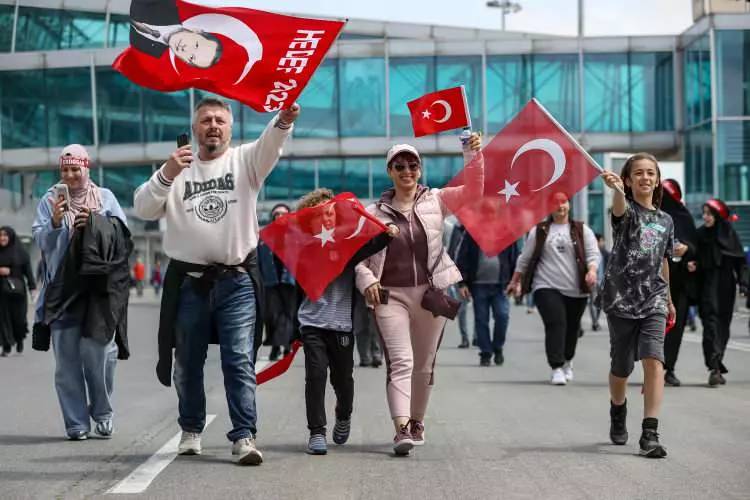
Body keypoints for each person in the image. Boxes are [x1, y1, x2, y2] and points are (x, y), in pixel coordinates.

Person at [134, 97, 299, 465]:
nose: (213, 125)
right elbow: (142, 207)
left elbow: (271, 143)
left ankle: (244, 436)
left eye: (220, 120)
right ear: (194, 129)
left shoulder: (245, 162)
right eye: (206, 119)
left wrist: (284, 119)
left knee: (238, 359)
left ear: (230, 128)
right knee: (188, 361)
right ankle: (191, 428)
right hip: (190, 282)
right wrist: (166, 174)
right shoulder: (177, 170)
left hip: (236, 280)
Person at [355, 133, 483, 456]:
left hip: (430, 294)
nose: (407, 171)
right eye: (399, 166)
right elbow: (357, 258)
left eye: (413, 165)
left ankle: (416, 421)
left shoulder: (436, 200)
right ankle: (400, 430)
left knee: (424, 365)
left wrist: (472, 154)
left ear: (420, 170)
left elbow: (475, 192)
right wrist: (366, 279)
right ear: (390, 171)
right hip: (389, 296)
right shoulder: (374, 213)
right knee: (401, 361)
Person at [32, 144, 130, 440]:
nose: (71, 175)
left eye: (76, 169)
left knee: (100, 353)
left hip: (97, 290)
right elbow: (40, 239)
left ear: (86, 168)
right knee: (67, 361)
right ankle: (76, 422)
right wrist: (55, 223)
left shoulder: (105, 197)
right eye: (65, 170)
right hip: (63, 291)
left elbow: (122, 237)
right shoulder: (50, 200)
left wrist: (97, 223)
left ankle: (102, 411)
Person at [295, 188, 396, 455]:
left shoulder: (346, 242)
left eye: (330, 213)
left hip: (341, 325)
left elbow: (365, 248)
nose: (326, 219)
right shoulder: (305, 248)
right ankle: (316, 432)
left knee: (343, 380)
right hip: (312, 323)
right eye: (319, 215)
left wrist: (387, 234)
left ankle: (344, 414)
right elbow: (298, 286)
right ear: (310, 220)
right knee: (315, 376)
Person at [600, 153, 675, 459]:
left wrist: (669, 299)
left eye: (651, 173)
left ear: (657, 180)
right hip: (621, 299)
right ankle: (618, 409)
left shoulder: (666, 221)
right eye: (639, 174)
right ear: (629, 180)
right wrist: (617, 190)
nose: (646, 178)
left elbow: (664, 261)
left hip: (654, 298)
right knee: (622, 367)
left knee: (654, 360)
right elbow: (618, 208)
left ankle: (650, 433)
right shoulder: (625, 211)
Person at [507, 194, 599, 384]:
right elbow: (524, 258)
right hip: (546, 285)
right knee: (556, 323)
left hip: (576, 289)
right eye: (555, 203)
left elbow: (592, 254)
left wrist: (592, 271)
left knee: (572, 328)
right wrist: (515, 280)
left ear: (569, 205)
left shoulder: (582, 230)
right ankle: (556, 367)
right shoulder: (539, 231)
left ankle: (567, 360)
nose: (560, 206)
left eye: (563, 202)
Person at [696, 198, 747, 387]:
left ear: (717, 215)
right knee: (710, 325)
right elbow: (693, 255)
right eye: (704, 213)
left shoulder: (730, 235)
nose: (705, 217)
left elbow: (740, 263)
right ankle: (714, 367)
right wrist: (692, 264)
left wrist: (744, 284)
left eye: (709, 213)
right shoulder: (700, 234)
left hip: (726, 286)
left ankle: (716, 365)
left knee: (723, 326)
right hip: (706, 286)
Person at [456, 231, 518, 367]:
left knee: (502, 316)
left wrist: (516, 282)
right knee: (481, 320)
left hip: (501, 285)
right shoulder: (472, 233)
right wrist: (462, 283)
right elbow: (462, 258)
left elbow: (514, 258)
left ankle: (498, 347)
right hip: (478, 285)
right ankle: (485, 353)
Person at [660, 180, 699, 387]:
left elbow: (695, 246)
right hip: (656, 284)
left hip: (680, 283)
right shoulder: (654, 216)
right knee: (654, 328)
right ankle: (655, 369)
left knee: (676, 328)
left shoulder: (684, 217)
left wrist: (686, 249)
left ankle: (669, 368)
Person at [129, 0, 222, 68]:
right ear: (197, 31)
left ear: (184, 61)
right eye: (196, 45)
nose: (185, 49)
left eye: (191, 57)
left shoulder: (150, 51)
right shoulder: (166, 5)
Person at [258, 203, 297, 361]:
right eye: (276, 214)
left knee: (287, 315)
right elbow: (258, 259)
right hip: (270, 280)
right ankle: (276, 345)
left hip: (290, 281)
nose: (279, 217)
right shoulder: (264, 235)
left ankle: (285, 345)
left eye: (283, 214)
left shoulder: (295, 235)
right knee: (272, 315)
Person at [0, 226, 35, 356]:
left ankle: (19, 339)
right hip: (2, 293)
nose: (2, 238)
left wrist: (32, 288)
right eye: (0, 235)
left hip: (17, 293)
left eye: (5, 235)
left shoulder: (21, 253)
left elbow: (28, 272)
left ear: (11, 237)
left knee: (19, 320)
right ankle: (6, 346)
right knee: (3, 319)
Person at [446, 220, 471, 348]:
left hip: (477, 274)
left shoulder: (480, 229)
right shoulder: (457, 229)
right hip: (460, 274)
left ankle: (478, 337)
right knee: (463, 308)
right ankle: (465, 337)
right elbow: (451, 251)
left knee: (480, 308)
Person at [353, 290, 382, 367]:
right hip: (360, 288)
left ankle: (376, 355)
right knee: (361, 322)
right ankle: (366, 357)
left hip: (378, 285)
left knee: (377, 322)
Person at [588, 233, 609, 332]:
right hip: (592, 280)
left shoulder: (605, 253)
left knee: (599, 302)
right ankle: (595, 322)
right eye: (601, 241)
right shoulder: (589, 252)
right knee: (592, 301)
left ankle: (595, 321)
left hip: (602, 281)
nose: (602, 243)